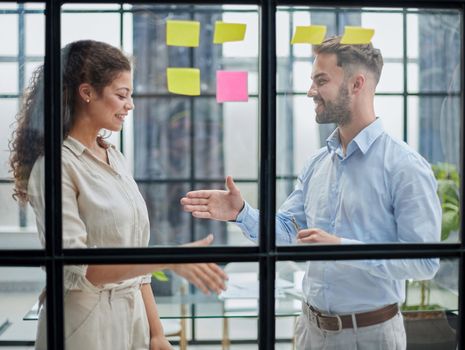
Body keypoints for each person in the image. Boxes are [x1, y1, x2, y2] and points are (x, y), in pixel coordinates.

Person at [181, 36, 442, 349]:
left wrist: (343, 248)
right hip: (309, 331)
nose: (311, 91)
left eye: (321, 81)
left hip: (371, 336)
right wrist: (241, 213)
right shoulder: (318, 163)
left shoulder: (405, 166)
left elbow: (424, 262)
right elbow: (290, 232)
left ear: (356, 84)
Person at [9, 40, 228, 350]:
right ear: (87, 93)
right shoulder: (55, 166)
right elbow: (83, 268)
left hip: (133, 321)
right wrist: (170, 259)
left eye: (131, 95)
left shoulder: (115, 156)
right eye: (122, 95)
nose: (130, 105)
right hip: (84, 326)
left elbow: (137, 258)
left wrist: (157, 333)